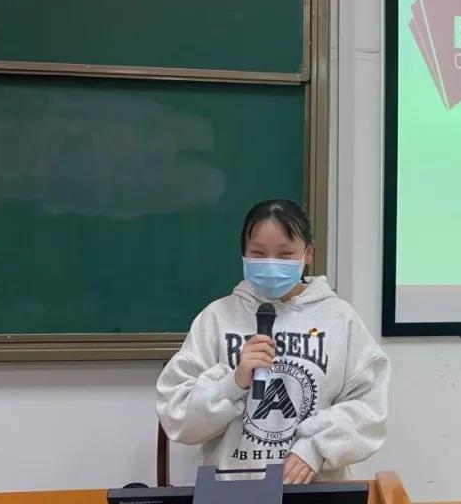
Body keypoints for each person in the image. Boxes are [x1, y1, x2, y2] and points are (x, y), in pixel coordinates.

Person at [156, 199, 389, 483]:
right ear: (244, 254)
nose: (271, 263)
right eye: (258, 253)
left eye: (285, 254)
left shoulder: (340, 319)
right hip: (232, 488)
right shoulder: (217, 318)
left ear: (308, 253)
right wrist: (234, 383)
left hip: (313, 489)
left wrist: (316, 447)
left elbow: (369, 407)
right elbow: (177, 415)